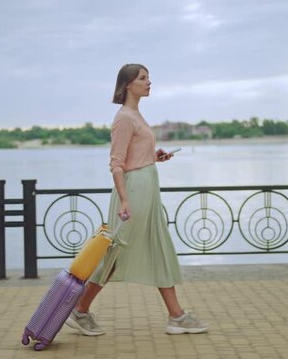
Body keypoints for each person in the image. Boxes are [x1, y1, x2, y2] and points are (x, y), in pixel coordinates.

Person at [65, 63, 209, 336]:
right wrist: (124, 200)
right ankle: (80, 310)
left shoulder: (137, 115)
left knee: (157, 245)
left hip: (147, 186)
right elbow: (117, 163)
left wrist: (155, 156)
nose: (149, 82)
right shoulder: (124, 118)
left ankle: (176, 315)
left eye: (149, 77)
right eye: (143, 78)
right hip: (133, 192)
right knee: (117, 250)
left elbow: (135, 157)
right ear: (128, 84)